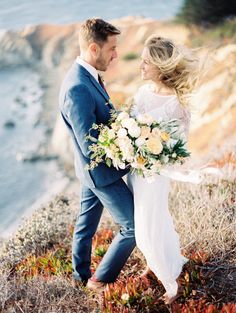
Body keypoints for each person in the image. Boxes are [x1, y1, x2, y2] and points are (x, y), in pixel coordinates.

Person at [59, 18, 135, 291]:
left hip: (90, 171)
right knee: (133, 227)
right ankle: (99, 280)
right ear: (93, 48)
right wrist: (129, 147)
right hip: (100, 173)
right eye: (112, 49)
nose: (116, 55)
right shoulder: (77, 88)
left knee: (85, 226)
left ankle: (79, 277)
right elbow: (91, 146)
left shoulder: (86, 75)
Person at [127, 35, 200, 304]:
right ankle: (153, 264)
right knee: (145, 220)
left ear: (160, 65)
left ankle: (171, 281)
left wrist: (156, 152)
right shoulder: (142, 93)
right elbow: (130, 128)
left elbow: (180, 146)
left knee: (149, 223)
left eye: (146, 61)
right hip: (137, 171)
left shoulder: (177, 104)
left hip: (156, 174)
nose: (141, 66)